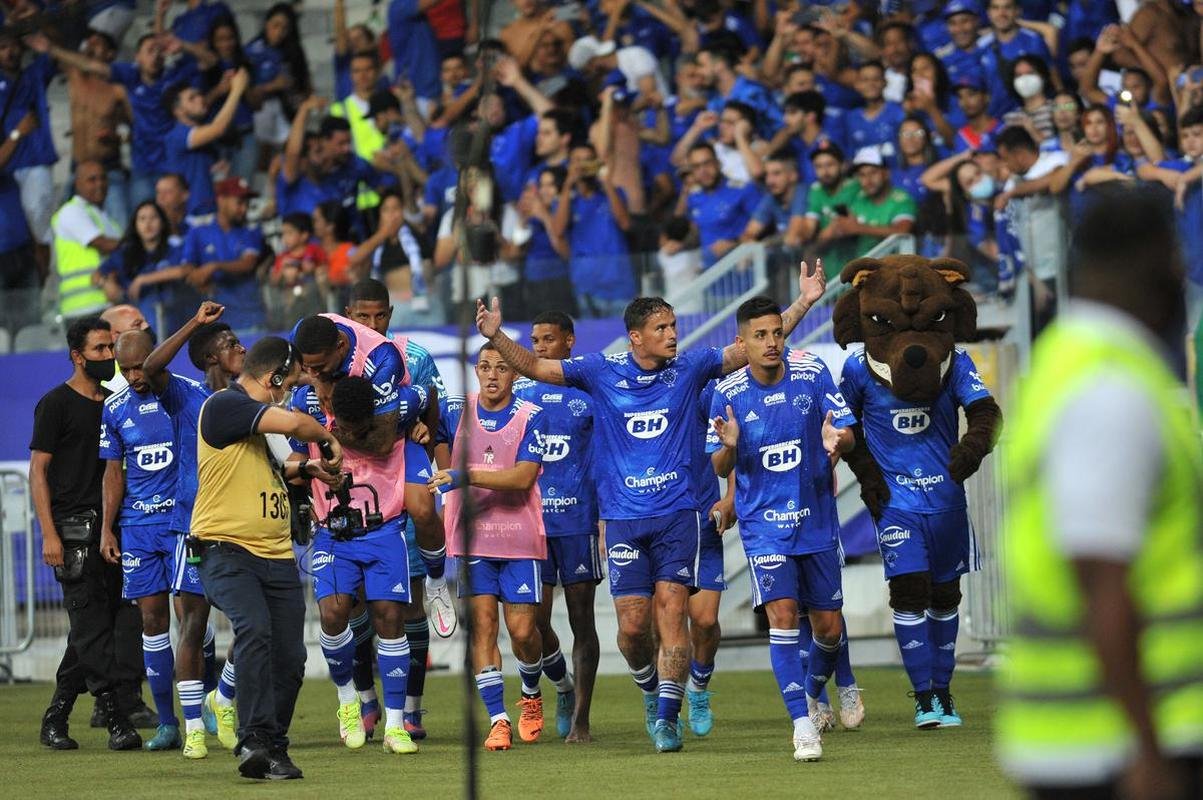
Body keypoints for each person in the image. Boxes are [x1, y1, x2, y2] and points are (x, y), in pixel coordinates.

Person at [474, 260, 826, 753]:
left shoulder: (691, 368)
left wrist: (805, 301)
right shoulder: (601, 371)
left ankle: (667, 717)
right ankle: (649, 688)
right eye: (661, 328)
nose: (672, 334)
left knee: (674, 614)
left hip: (677, 516)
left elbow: (753, 344)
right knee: (632, 630)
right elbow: (535, 367)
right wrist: (496, 334)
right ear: (635, 337)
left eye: (674, 325)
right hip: (621, 521)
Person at [998, 187, 1203, 800]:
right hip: (1119, 745)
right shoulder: (1107, 382)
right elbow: (1100, 571)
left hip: (1086, 733)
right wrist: (1144, 745)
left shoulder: (1071, 362)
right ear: (1156, 259)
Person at [707, 296, 857, 761]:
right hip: (763, 527)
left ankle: (814, 691)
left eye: (777, 332)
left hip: (815, 520)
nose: (772, 342)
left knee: (829, 629)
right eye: (761, 335)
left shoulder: (812, 373)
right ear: (742, 342)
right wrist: (729, 447)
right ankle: (800, 725)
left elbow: (847, 433)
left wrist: (838, 441)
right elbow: (719, 463)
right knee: (784, 616)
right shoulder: (727, 392)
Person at [839, 293, 997, 731]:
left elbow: (986, 413)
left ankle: (944, 690)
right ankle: (925, 697)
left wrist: (973, 449)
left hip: (946, 501)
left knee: (945, 598)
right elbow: (843, 425)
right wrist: (867, 474)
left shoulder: (953, 363)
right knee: (908, 593)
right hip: (896, 505)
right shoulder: (858, 368)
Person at [192, 336, 341, 780]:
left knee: (292, 657)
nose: (291, 392)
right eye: (290, 383)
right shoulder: (224, 405)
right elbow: (297, 426)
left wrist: (312, 470)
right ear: (275, 378)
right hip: (225, 548)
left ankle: (273, 747)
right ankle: (254, 738)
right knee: (253, 627)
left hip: (277, 557)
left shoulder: (262, 428)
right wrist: (326, 437)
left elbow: (283, 466)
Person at [291, 314, 457, 638]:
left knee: (422, 508)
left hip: (390, 431)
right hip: (346, 429)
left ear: (341, 347)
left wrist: (325, 432)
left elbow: (382, 440)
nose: (311, 374)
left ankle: (436, 582)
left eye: (319, 367)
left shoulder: (381, 356)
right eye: (307, 367)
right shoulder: (308, 341)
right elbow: (292, 383)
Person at [288, 373, 427, 755]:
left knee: (390, 619)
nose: (353, 435)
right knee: (333, 614)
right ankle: (348, 700)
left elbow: (425, 395)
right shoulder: (309, 414)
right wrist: (307, 469)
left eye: (361, 427)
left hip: (385, 530)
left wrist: (421, 428)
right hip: (334, 533)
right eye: (346, 428)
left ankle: (396, 726)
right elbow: (292, 462)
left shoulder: (395, 414)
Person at [427, 344, 550, 751]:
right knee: (483, 627)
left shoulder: (532, 416)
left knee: (523, 632)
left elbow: (521, 479)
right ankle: (499, 720)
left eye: (502, 367)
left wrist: (465, 475)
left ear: (516, 374)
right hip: (471, 537)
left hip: (520, 538)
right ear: (475, 370)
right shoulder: (456, 413)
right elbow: (432, 434)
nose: (492, 374)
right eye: (484, 366)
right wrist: (423, 435)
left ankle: (531, 694)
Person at [32, 317, 141, 752]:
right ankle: (116, 718)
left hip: (112, 529)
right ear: (77, 356)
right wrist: (49, 535)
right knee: (93, 627)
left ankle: (56, 716)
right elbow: (39, 472)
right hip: (73, 531)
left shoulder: (115, 403)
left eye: (109, 348)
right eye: (98, 350)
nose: (108, 356)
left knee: (98, 628)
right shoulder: (54, 404)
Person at [143, 302, 246, 754]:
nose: (239, 347)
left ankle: (222, 695)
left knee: (254, 624)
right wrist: (196, 324)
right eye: (229, 344)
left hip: (243, 526)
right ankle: (194, 730)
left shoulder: (252, 398)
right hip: (195, 526)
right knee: (192, 626)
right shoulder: (186, 395)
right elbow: (149, 366)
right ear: (210, 358)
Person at [343, 278, 444, 738]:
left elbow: (434, 412)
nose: (372, 324)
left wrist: (424, 429)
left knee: (410, 604)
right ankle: (366, 702)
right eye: (362, 316)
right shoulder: (336, 360)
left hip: (402, 482)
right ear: (348, 315)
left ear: (390, 315)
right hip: (355, 489)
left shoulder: (415, 358)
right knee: (358, 602)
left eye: (379, 315)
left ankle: (413, 709)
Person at [512, 311, 599, 742]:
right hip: (532, 526)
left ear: (569, 342)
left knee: (583, 620)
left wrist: (603, 516)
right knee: (536, 623)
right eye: (534, 339)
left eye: (548, 339)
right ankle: (562, 685)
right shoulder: (521, 395)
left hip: (579, 523)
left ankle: (581, 718)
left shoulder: (589, 392)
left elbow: (607, 457)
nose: (540, 347)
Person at [97, 330, 181, 752]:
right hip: (138, 530)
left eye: (139, 366)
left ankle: (204, 715)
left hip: (182, 525)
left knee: (194, 620)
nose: (134, 375)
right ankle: (168, 723)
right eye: (125, 369)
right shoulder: (114, 409)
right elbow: (113, 472)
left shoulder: (183, 398)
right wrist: (107, 528)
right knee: (152, 621)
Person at [552, 143, 637, 319]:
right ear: (569, 165)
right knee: (593, 340)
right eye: (578, 161)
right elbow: (558, 230)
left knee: (623, 338)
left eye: (588, 160)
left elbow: (625, 223)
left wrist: (606, 183)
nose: (583, 166)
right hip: (586, 286)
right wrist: (568, 185)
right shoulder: (566, 200)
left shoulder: (614, 193)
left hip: (618, 283)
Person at [181, 176, 269, 333]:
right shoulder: (199, 230)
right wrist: (198, 279)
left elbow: (248, 263)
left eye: (247, 204)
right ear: (221, 200)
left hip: (250, 317)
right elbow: (187, 268)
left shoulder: (252, 230)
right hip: (213, 321)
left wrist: (214, 266)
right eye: (239, 203)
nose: (244, 209)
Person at [163, 68, 251, 218]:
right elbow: (218, 128)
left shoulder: (202, 132)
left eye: (199, 95)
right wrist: (236, 90)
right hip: (194, 214)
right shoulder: (177, 135)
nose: (200, 99)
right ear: (177, 111)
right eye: (192, 98)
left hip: (213, 211)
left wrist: (222, 88)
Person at [99, 202, 188, 330]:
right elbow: (97, 275)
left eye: (153, 218)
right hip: (132, 324)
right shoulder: (124, 253)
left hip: (173, 321)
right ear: (135, 224)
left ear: (162, 222)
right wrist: (107, 282)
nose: (148, 224)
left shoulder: (173, 248)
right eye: (142, 219)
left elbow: (183, 270)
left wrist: (143, 279)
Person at [51, 161, 123, 320]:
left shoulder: (106, 219)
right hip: (82, 309)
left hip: (106, 303)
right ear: (77, 184)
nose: (100, 184)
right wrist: (139, 244)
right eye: (92, 179)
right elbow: (103, 244)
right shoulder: (71, 211)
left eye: (103, 178)